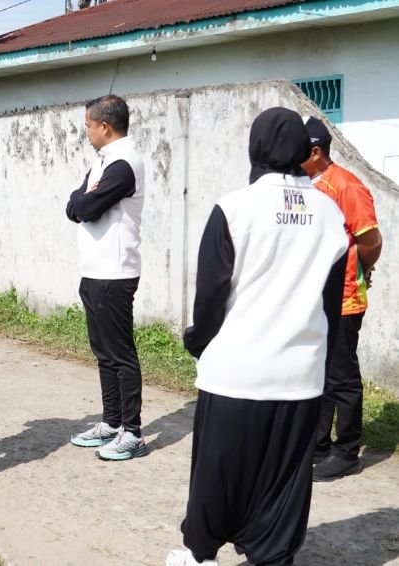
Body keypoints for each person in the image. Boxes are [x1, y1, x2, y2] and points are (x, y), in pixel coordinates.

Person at [166, 108, 348, 566]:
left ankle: (200, 554)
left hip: (236, 371)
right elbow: (332, 306)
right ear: (302, 150)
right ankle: (272, 555)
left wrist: (199, 342)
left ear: (256, 147)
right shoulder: (330, 214)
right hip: (300, 375)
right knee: (284, 480)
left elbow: (210, 296)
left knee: (219, 473)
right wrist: (324, 368)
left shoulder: (234, 209)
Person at [64, 94, 147, 460]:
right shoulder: (103, 161)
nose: (86, 132)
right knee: (103, 353)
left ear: (105, 126)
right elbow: (74, 205)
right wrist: (83, 200)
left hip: (115, 272)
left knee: (120, 353)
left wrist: (84, 200)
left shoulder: (125, 164)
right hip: (94, 270)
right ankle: (112, 422)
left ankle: (133, 432)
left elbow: (87, 206)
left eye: (88, 126)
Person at [301, 116, 383, 482]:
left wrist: (360, 269)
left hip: (345, 297)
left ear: (315, 152)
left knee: (342, 375)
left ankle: (347, 450)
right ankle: (319, 444)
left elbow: (371, 241)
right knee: (319, 372)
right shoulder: (307, 185)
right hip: (315, 297)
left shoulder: (346, 186)